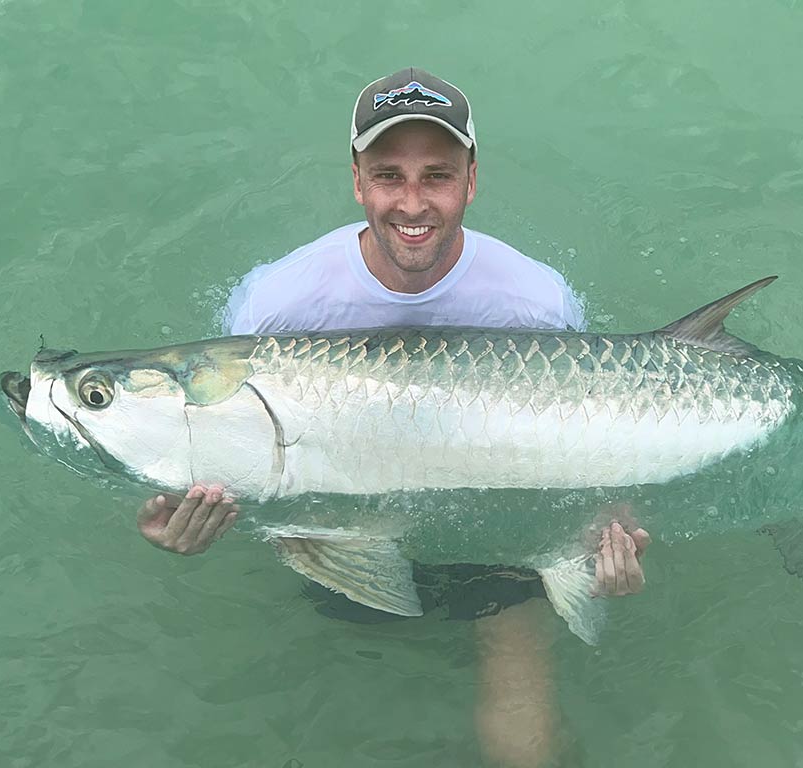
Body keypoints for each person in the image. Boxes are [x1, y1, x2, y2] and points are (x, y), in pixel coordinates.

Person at [135, 68, 651, 767]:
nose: (412, 202)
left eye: (436, 175)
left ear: (471, 181)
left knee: (517, 684)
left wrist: (607, 534)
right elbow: (228, 446)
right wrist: (192, 524)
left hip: (502, 523)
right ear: (356, 181)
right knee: (346, 692)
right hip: (337, 523)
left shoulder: (533, 303)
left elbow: (594, 428)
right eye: (389, 175)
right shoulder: (279, 305)